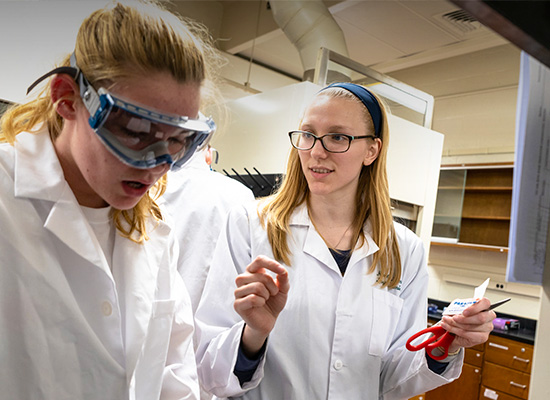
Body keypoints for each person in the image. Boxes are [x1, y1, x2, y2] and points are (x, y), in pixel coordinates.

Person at [193, 82, 497, 399]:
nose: (316, 151)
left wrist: (443, 344)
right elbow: (209, 367)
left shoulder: (404, 250)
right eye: (308, 134)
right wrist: (254, 333)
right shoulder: (249, 225)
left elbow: (394, 378)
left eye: (337, 136)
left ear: (372, 150)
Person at [0, 1, 220, 398]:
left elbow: (174, 375)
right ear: (67, 98)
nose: (158, 165)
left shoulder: (154, 229)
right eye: (135, 130)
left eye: (177, 140)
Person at [162, 145, 255, 314]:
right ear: (209, 153)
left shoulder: (152, 189)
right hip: (220, 324)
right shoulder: (240, 195)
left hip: (160, 322)